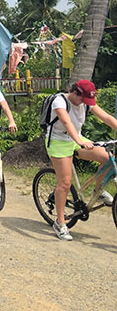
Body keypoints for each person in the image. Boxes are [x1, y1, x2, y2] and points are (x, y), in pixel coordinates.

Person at [44, 80, 117, 241]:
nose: (85, 104)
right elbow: (66, 121)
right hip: (58, 142)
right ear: (75, 92)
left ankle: (98, 191)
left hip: (76, 139)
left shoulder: (85, 102)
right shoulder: (60, 101)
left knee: (106, 157)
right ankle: (60, 222)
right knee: (65, 183)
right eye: (83, 99)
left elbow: (105, 117)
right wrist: (79, 141)